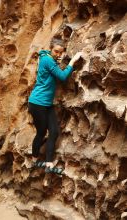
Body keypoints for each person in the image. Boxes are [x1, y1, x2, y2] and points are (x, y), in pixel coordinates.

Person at [28, 38, 83, 174]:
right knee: (41, 132)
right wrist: (73, 61)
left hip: (47, 104)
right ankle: (34, 161)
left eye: (60, 53)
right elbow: (63, 76)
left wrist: (57, 60)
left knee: (54, 132)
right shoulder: (47, 60)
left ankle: (48, 164)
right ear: (51, 48)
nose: (58, 55)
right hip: (37, 103)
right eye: (56, 51)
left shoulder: (48, 57)